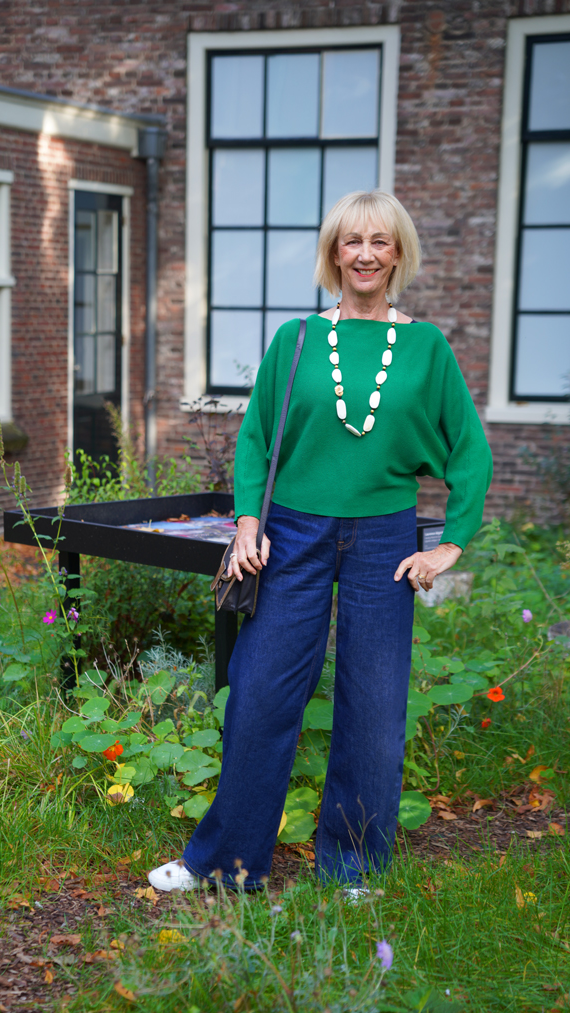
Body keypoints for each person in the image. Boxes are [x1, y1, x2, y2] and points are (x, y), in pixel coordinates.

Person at [148, 189, 492, 894]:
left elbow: (470, 453)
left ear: (397, 253)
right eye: (351, 241)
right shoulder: (296, 339)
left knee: (373, 707)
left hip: (384, 539)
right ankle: (226, 863)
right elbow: (255, 439)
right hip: (291, 535)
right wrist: (249, 523)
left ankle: (354, 868)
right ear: (334, 253)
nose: (364, 254)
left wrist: (449, 545)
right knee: (258, 695)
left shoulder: (426, 347)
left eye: (379, 241)